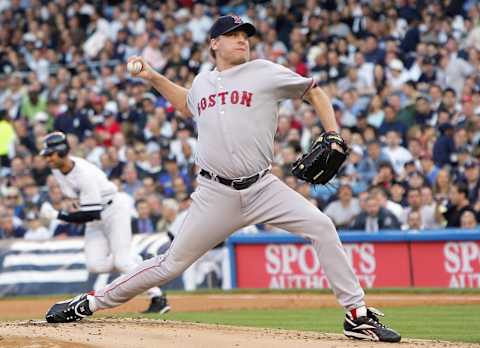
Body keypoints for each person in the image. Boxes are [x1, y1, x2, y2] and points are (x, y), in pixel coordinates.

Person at [45, 16, 400, 342]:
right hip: (215, 194)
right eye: (233, 35)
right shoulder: (203, 81)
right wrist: (152, 77)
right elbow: (186, 103)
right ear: (214, 43)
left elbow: (314, 91)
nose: (242, 40)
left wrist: (333, 133)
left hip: (263, 187)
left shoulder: (264, 71)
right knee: (170, 264)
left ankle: (356, 315)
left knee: (321, 226)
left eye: (245, 35)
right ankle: (89, 302)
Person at [38, 131, 169, 314]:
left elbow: (91, 214)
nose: (47, 158)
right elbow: (83, 204)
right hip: (96, 212)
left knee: (123, 262)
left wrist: (57, 215)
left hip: (114, 209)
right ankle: (134, 262)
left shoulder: (83, 173)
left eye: (50, 154)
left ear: (61, 152)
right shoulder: (56, 169)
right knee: (95, 265)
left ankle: (157, 297)